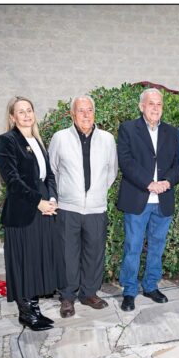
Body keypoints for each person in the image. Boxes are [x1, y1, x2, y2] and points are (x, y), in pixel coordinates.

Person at [0, 96, 65, 331]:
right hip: (23, 212)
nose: (26, 115)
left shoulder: (36, 140)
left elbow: (48, 175)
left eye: (29, 110)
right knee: (24, 262)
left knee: (36, 260)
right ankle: (26, 313)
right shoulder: (7, 141)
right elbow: (12, 180)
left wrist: (52, 198)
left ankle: (35, 309)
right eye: (21, 112)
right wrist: (38, 202)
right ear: (12, 117)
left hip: (43, 208)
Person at [48, 96, 118, 318]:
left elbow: (112, 171)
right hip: (68, 208)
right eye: (81, 111)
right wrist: (66, 194)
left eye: (89, 110)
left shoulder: (107, 139)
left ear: (94, 113)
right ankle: (67, 297)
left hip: (96, 208)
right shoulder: (60, 138)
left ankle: (89, 293)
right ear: (72, 114)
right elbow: (52, 170)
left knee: (94, 253)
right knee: (67, 254)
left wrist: (96, 192)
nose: (86, 115)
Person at [116, 88, 179, 312]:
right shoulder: (128, 129)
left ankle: (151, 286)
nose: (155, 108)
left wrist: (167, 182)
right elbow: (126, 162)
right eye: (151, 103)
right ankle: (129, 291)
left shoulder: (172, 132)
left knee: (157, 246)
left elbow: (178, 164)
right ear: (141, 106)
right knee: (133, 247)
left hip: (163, 200)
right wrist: (149, 183)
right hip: (138, 197)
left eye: (159, 104)